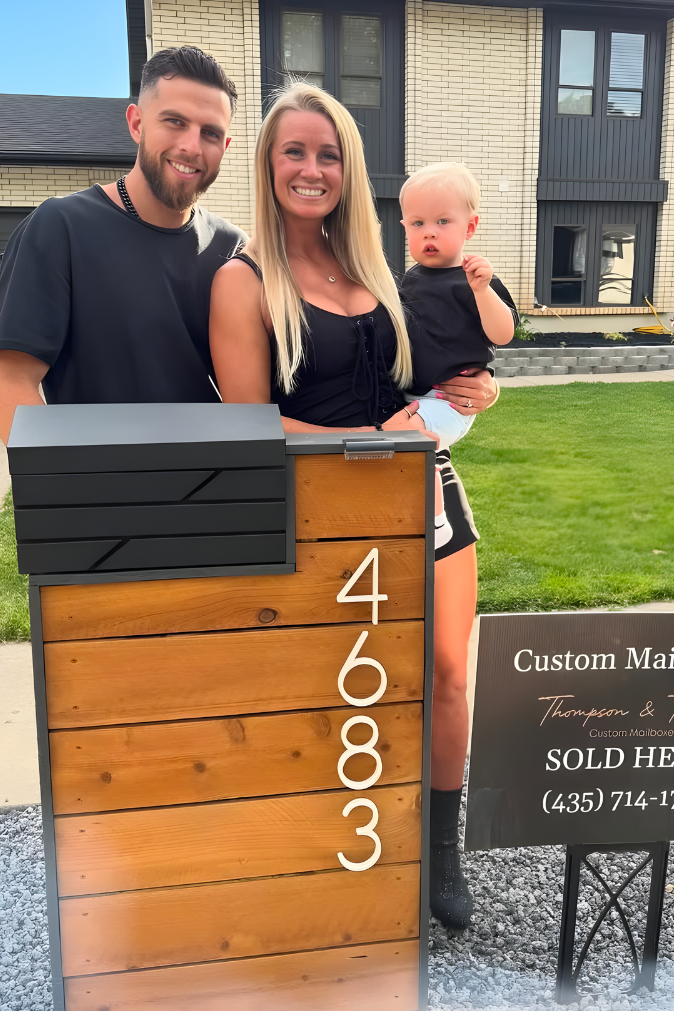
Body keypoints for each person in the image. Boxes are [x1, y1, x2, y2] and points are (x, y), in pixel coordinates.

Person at [208, 82, 498, 930]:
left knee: (445, 673)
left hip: (426, 490)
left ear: (349, 168)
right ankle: (336, 849)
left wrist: (469, 388)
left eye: (328, 153)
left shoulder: (379, 266)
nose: (311, 168)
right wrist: (376, 441)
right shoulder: (242, 277)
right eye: (294, 151)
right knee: (341, 691)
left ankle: (439, 855)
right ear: (268, 163)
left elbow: (430, 376)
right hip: (325, 506)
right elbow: (250, 427)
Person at [0, 46, 243, 440]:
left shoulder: (232, 248)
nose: (191, 146)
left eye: (210, 133)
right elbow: (6, 383)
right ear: (137, 124)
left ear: (224, 148)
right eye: (174, 121)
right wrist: (77, 484)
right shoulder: (61, 227)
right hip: (100, 489)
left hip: (213, 487)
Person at [398, 162, 517, 453]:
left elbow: (503, 334)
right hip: (408, 393)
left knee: (402, 438)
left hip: (448, 402)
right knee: (395, 440)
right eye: (418, 223)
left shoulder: (474, 280)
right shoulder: (408, 280)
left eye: (442, 221)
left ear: (470, 227)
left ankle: (434, 484)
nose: (429, 233)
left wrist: (483, 290)